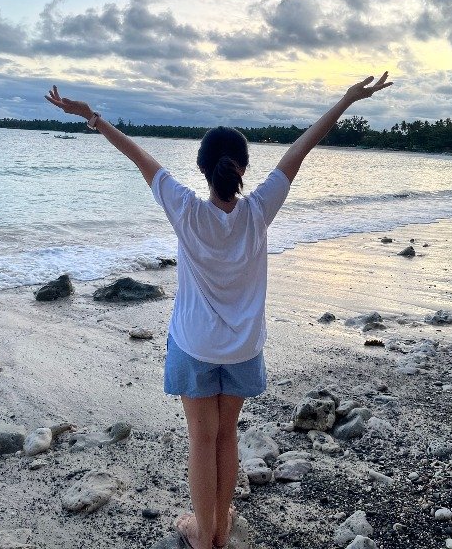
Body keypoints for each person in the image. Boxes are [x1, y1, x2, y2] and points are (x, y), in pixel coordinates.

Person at [45, 72, 392, 549]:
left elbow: (136, 155)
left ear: (203, 168)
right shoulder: (258, 210)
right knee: (227, 436)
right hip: (244, 348)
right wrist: (347, 99)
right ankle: (220, 530)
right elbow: (303, 147)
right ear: (243, 168)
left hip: (194, 345)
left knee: (201, 440)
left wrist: (92, 117)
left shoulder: (185, 209)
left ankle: (203, 532)